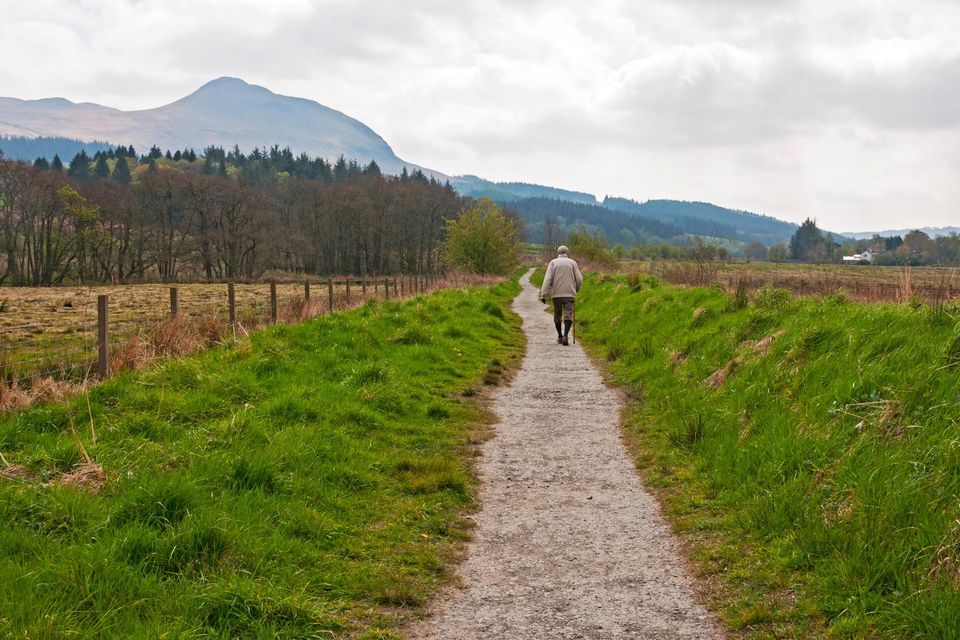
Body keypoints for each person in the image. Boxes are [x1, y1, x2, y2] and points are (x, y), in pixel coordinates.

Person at [539, 245, 583, 345]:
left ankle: (559, 336)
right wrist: (576, 289)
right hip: (569, 294)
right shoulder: (573, 263)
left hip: (556, 294)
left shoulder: (553, 263)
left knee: (557, 315)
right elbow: (579, 279)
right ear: (567, 252)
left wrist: (543, 294)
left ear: (558, 252)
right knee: (568, 315)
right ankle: (566, 336)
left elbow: (548, 279)